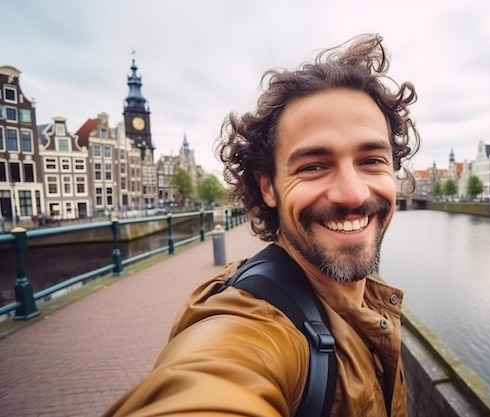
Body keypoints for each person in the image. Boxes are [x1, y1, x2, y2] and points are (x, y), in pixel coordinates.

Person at [102, 33, 419, 417]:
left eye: (372, 160)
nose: (352, 194)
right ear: (268, 186)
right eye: (313, 166)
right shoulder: (251, 326)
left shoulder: (372, 303)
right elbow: (216, 375)